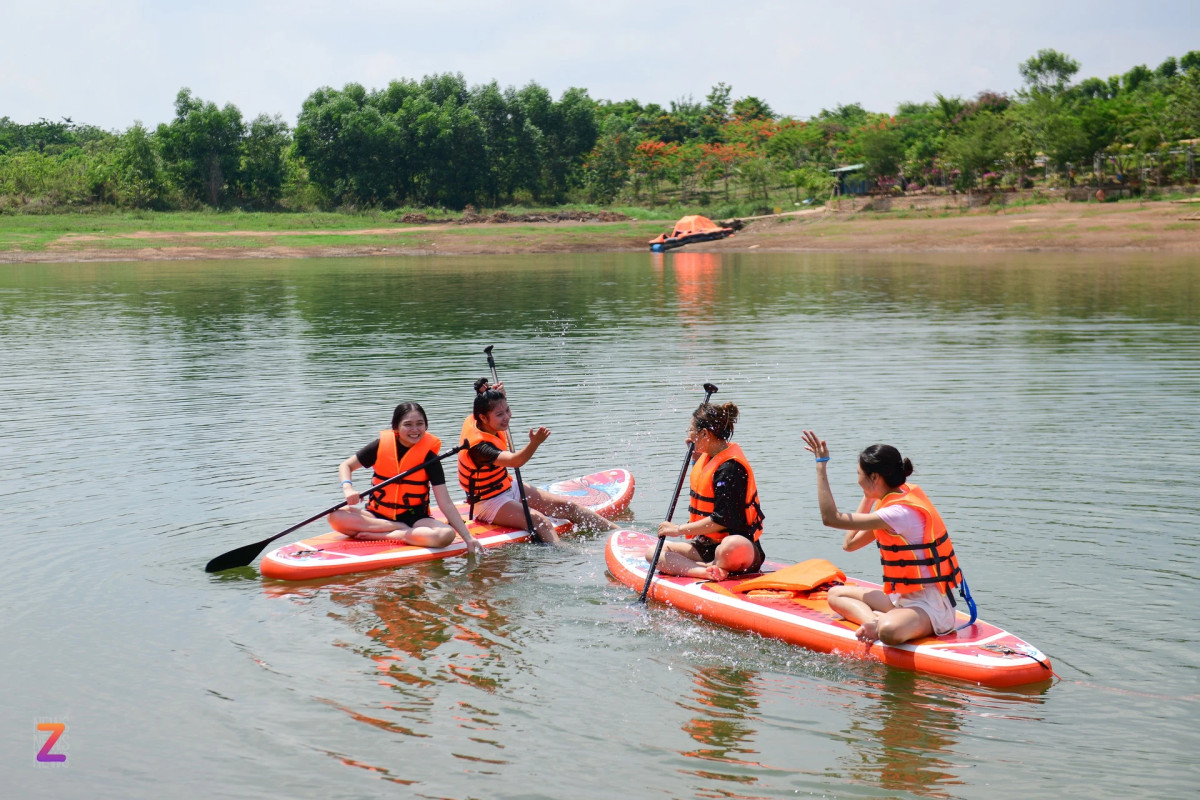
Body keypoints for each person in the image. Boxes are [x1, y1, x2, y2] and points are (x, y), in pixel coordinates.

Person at [801, 430, 962, 645]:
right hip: (901, 600)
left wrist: (821, 465)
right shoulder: (891, 501)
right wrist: (869, 496)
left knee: (888, 632)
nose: (857, 479)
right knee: (835, 595)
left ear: (875, 477)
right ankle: (872, 622)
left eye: (859, 473)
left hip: (929, 607)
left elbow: (830, 518)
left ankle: (881, 624)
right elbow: (850, 544)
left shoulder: (898, 513)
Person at [458, 380, 618, 545]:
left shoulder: (479, 417)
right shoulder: (479, 448)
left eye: (507, 410)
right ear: (483, 417)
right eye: (500, 415)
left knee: (568, 507)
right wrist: (535, 443)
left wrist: (496, 395)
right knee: (540, 521)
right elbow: (515, 461)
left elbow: (486, 404)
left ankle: (618, 532)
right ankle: (567, 553)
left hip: (508, 487)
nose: (506, 417)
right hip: (488, 502)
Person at [329, 402, 482, 555]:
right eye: (408, 424)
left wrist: (468, 538)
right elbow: (346, 465)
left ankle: (393, 535)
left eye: (419, 424)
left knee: (446, 534)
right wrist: (348, 488)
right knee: (335, 517)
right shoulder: (379, 446)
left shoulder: (430, 458)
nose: (414, 430)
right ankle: (398, 528)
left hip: (415, 519)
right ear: (396, 427)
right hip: (376, 516)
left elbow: (445, 502)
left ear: (426, 426)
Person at [650, 402, 766, 580]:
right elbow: (705, 480)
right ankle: (704, 571)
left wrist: (678, 529)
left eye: (690, 430)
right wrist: (694, 456)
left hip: (738, 551)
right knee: (654, 553)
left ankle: (713, 565)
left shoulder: (730, 469)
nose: (688, 435)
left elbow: (723, 519)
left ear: (704, 433)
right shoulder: (708, 457)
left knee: (731, 545)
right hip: (706, 548)